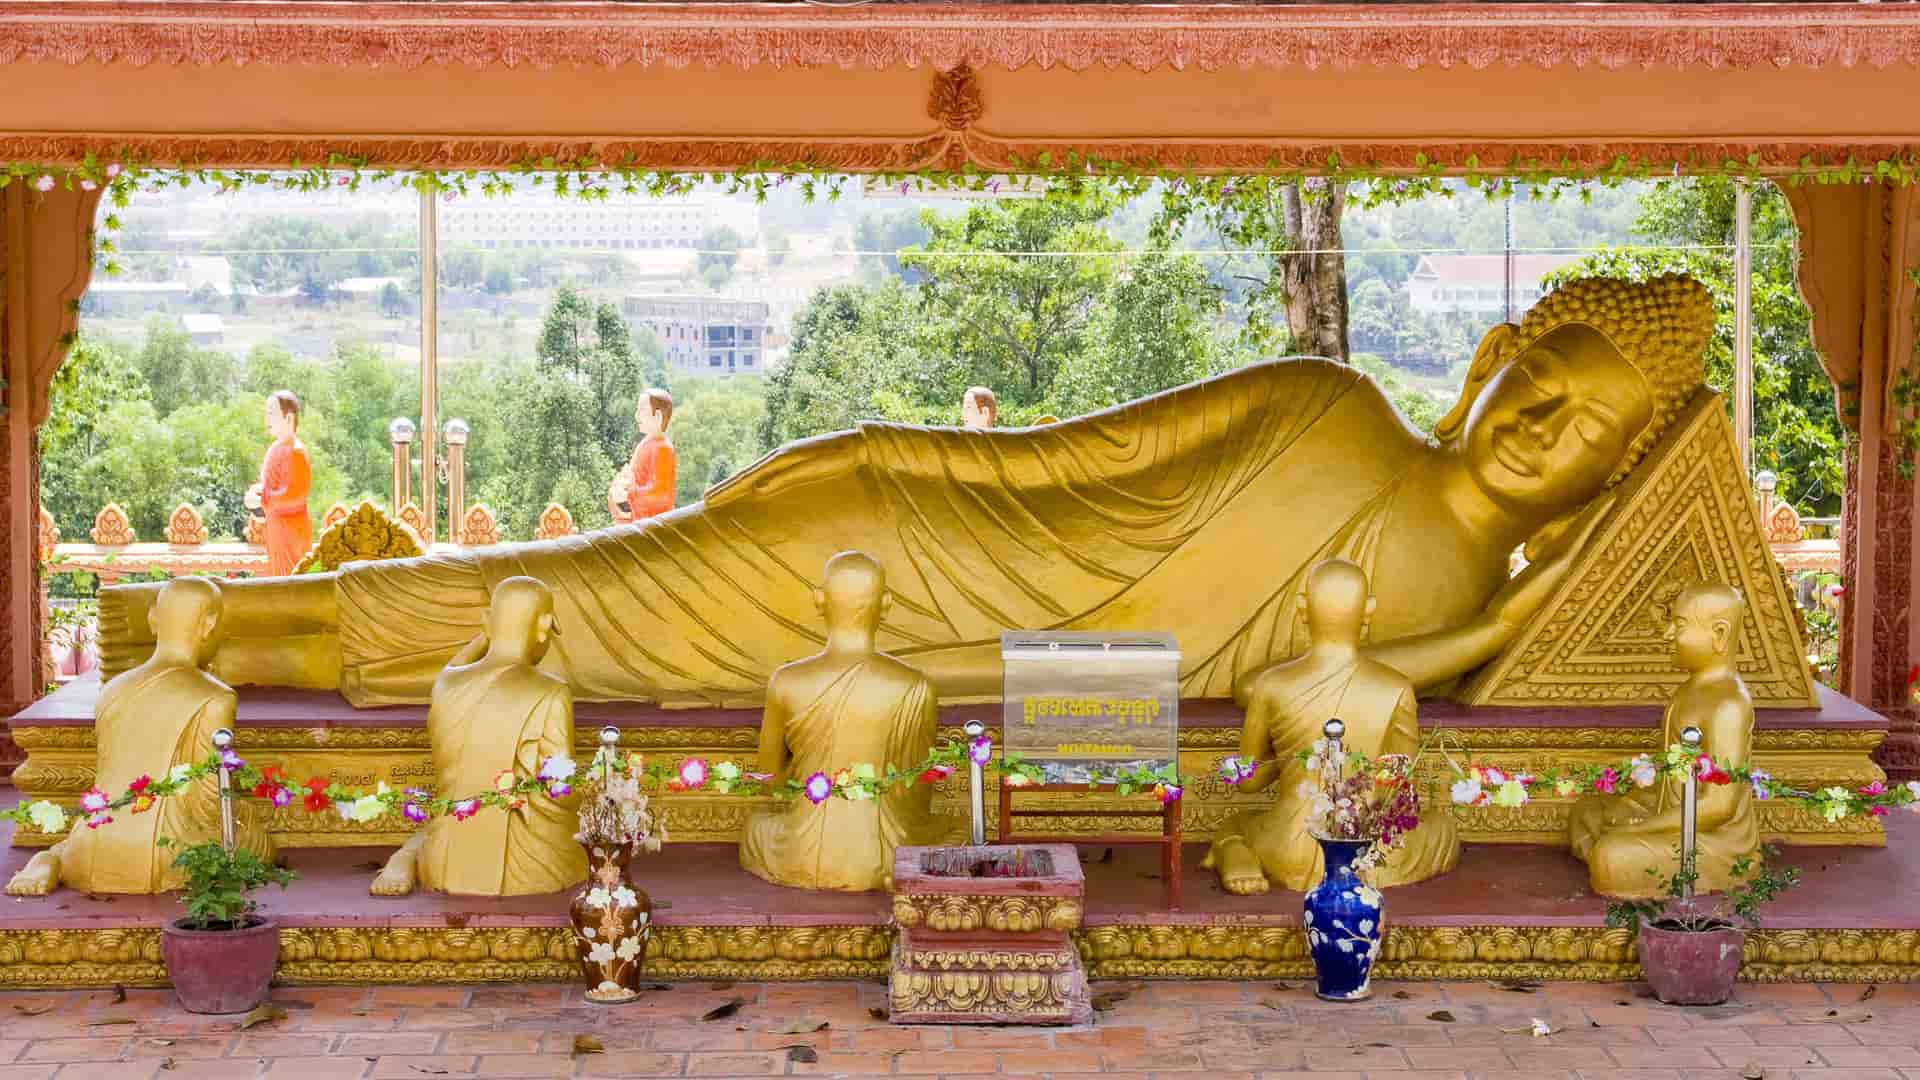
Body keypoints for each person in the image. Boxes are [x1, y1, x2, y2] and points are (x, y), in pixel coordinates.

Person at [98, 275, 1713, 710]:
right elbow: (1066, 457)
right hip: (922, 544)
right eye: (1544, 377)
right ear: (1491, 357)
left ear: (1607, 484)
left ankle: (206, 650)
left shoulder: (1464, 592)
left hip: (988, 676)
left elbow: (1336, 689)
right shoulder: (1332, 407)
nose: (1542, 424)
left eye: (1588, 433)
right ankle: (200, 640)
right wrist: (875, 455)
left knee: (574, 643)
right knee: (568, 595)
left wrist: (1527, 617)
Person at [1203, 559, 1458, 893]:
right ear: (1368, 610)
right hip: (1368, 853)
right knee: (1442, 828)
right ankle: (1353, 873)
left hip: (1288, 847)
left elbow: (1247, 781)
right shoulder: (1395, 687)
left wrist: (1289, 759)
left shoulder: (1272, 684)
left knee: (1235, 826)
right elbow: (1397, 783)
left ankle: (1235, 849)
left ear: (1301, 607)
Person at [7, 578, 273, 895]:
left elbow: (107, 775)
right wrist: (244, 813)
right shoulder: (216, 698)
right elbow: (208, 802)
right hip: (166, 854)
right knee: (257, 841)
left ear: (152, 619)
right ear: (209, 624)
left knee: (79, 837)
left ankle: (52, 858)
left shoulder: (112, 689)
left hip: (92, 845)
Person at [739, 552, 958, 891]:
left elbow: (768, 781)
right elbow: (917, 793)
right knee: (957, 827)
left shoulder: (787, 681)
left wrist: (808, 776)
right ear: (886, 604)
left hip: (800, 852)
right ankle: (897, 865)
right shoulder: (916, 686)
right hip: (889, 852)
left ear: (818, 599)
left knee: (756, 825)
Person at [371, 577, 586, 896]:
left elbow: (453, 667)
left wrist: (492, 631)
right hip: (533, 866)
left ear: (487, 622)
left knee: (447, 815)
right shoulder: (552, 692)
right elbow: (560, 790)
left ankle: (408, 854)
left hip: (445, 859)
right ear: (543, 626)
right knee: (585, 836)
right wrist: (595, 787)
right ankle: (408, 853)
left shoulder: (446, 686)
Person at [1568, 584, 1760, 898]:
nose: (1668, 634)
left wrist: (1636, 829)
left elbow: (1719, 806)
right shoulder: (1690, 690)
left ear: (1719, 634)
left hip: (1713, 839)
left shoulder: (1728, 705)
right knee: (1586, 811)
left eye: (1680, 624)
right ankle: (1618, 850)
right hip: (1672, 813)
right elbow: (1676, 779)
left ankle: (1614, 858)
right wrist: (1635, 806)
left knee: (1610, 856)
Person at [245, 391, 313, 577]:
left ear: (288, 418)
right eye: (266, 413)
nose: (267, 419)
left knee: (291, 579)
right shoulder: (275, 449)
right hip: (275, 527)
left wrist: (263, 500)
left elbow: (295, 495)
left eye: (272, 413)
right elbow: (272, 484)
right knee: (277, 575)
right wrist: (259, 492)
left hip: (292, 529)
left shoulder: (296, 452)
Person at [608, 388, 677, 524]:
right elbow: (631, 475)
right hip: (635, 520)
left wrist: (629, 494)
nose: (637, 416)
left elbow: (661, 495)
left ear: (657, 416)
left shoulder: (663, 448)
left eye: (642, 411)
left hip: (653, 524)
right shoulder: (645, 444)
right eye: (637, 410)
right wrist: (619, 487)